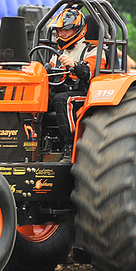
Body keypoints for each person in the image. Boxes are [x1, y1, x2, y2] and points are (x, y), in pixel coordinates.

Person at [46, 8, 104, 162]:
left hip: (87, 93)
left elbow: (88, 73)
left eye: (67, 30)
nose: (62, 34)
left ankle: (70, 145)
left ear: (78, 29)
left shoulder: (94, 50)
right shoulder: (59, 51)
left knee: (62, 100)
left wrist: (73, 65)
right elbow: (50, 72)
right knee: (41, 97)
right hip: (63, 88)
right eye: (60, 30)